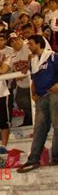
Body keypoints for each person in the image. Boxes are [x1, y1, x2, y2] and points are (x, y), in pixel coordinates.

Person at [18, 35, 58, 173]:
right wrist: (33, 93)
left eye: (30, 44)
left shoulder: (53, 56)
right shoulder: (33, 61)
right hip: (41, 97)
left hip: (54, 95)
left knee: (57, 125)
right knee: (39, 129)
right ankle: (33, 158)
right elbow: (34, 79)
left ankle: (56, 157)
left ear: (39, 44)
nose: (28, 46)